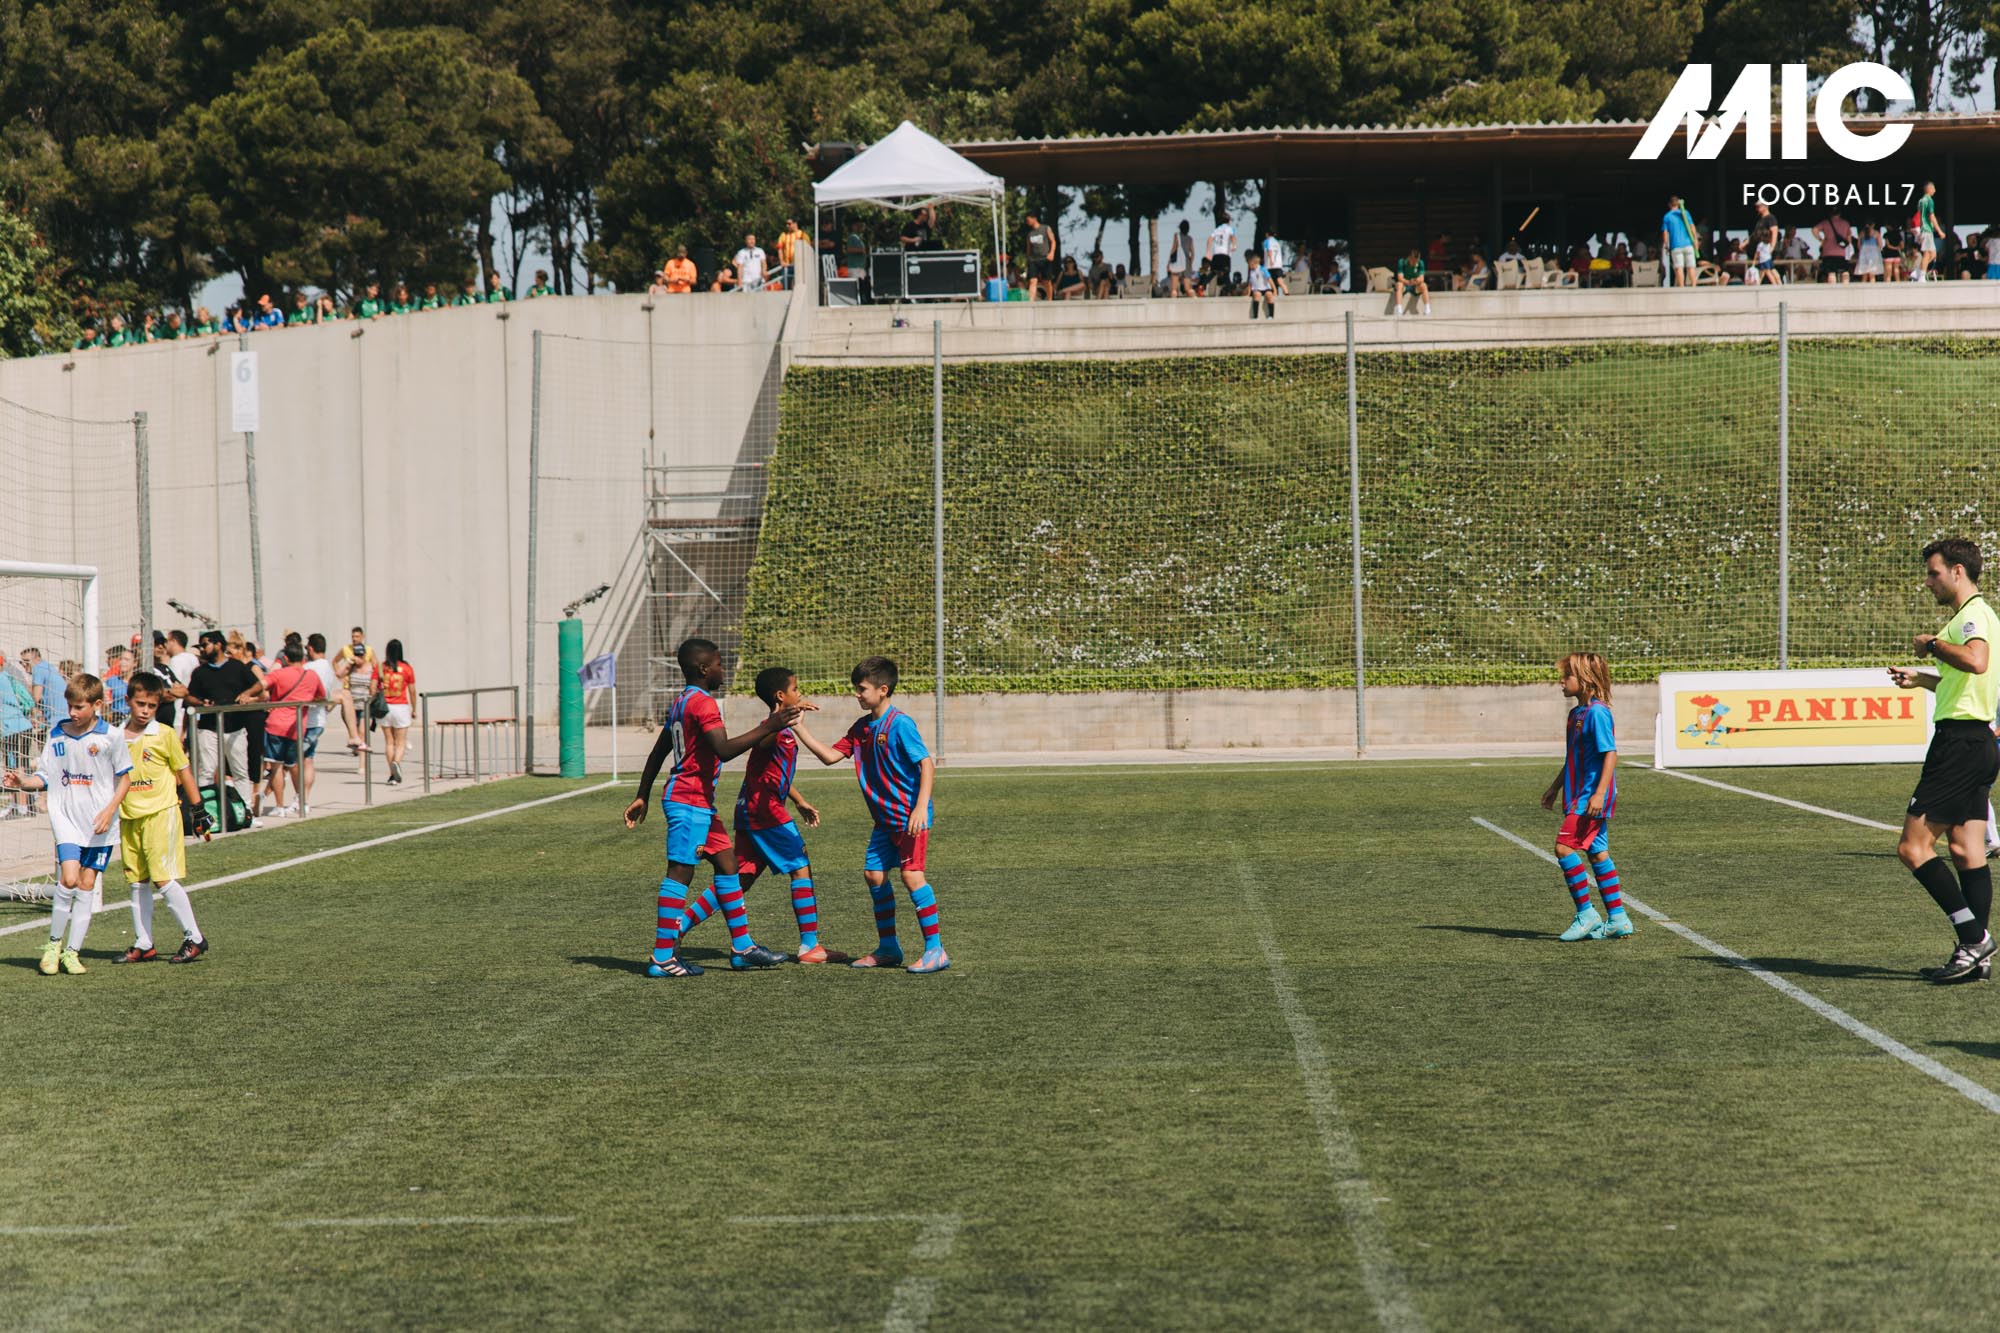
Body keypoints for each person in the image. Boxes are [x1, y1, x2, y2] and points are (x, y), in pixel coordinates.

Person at [621, 638, 800, 977]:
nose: (723, 669)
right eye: (718, 664)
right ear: (704, 669)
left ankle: (742, 948)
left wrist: (642, 794)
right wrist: (770, 725)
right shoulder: (702, 703)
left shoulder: (682, 701)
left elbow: (659, 751)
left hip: (699, 802)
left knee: (728, 863)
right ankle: (663, 957)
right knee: (680, 871)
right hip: (688, 801)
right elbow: (724, 750)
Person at [670, 666, 842, 963]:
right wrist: (779, 724)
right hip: (765, 812)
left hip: (750, 809)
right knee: (800, 867)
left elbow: (770, 774)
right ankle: (810, 946)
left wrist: (799, 800)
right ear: (781, 696)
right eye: (795, 689)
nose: (800, 693)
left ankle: (680, 927)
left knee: (741, 877)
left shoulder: (777, 728)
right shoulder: (770, 730)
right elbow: (764, 743)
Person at [1888, 538, 2000, 982]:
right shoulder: (1978, 615)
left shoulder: (1971, 616)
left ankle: (1974, 939)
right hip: (1977, 742)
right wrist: (1922, 679)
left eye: (1933, 572)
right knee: (1966, 849)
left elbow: (1976, 661)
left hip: (1958, 746)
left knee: (1912, 848)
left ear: (1957, 571)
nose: (1928, 581)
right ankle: (1977, 959)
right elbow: (1966, 681)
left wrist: (1932, 644)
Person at [792, 656, 948, 973]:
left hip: (909, 818)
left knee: (911, 876)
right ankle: (889, 947)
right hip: (884, 821)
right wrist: (798, 727)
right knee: (874, 875)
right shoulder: (862, 728)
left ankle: (936, 950)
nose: (857, 694)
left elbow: (926, 763)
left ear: (883, 689)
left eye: (862, 689)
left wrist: (920, 807)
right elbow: (829, 756)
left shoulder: (900, 724)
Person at [3, 674, 131, 975]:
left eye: (79, 707)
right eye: (70, 706)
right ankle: (52, 946)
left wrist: (109, 810)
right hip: (66, 818)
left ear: (96, 705)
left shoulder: (111, 736)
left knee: (86, 885)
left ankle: (71, 952)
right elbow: (44, 777)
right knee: (70, 879)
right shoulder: (57, 734)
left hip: (99, 821)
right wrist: (23, 781)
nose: (72, 712)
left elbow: (125, 779)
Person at [112, 671, 212, 965]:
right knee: (137, 880)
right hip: (129, 816)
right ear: (128, 701)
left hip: (161, 813)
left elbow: (184, 772)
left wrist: (198, 809)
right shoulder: (114, 737)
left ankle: (194, 936)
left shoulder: (164, 735)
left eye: (151, 706)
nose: (145, 711)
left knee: (162, 878)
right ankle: (144, 943)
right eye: (140, 704)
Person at [1539, 653, 1631, 941]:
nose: (1561, 681)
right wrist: (1555, 787)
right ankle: (1618, 919)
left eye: (1567, 676)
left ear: (1585, 679)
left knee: (1563, 849)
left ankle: (1587, 914)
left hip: (1590, 796)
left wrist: (1599, 794)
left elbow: (1610, 753)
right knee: (1597, 852)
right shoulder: (1576, 714)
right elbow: (1573, 757)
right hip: (1578, 794)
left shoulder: (1597, 713)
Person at [187, 629, 265, 814]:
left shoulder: (236, 667)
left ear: (218, 644)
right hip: (208, 727)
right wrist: (200, 703)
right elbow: (189, 696)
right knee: (206, 770)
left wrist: (246, 694)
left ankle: (245, 811)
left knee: (240, 770)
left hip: (234, 726)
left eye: (205, 645)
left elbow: (258, 685)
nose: (202, 649)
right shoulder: (200, 672)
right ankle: (206, 811)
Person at [259, 642, 325, 814]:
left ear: (286, 658)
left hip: (276, 724)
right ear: (303, 658)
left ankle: (280, 806)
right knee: (295, 764)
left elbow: (262, 684)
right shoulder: (311, 675)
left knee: (276, 767)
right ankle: (302, 801)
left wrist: (249, 695)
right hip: (297, 726)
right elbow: (321, 696)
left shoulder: (278, 673)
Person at [371, 639, 416, 785]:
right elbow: (412, 690)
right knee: (400, 742)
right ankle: (396, 762)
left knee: (389, 742)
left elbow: (372, 688)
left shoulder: (381, 667)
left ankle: (392, 775)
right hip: (401, 706)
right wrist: (414, 709)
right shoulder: (407, 668)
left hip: (385, 708)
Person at [0, 651, 34, 818]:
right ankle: (25, 805)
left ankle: (20, 807)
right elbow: (29, 701)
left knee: (12, 767)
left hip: (9, 728)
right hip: (23, 725)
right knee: (22, 765)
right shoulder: (10, 678)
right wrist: (20, 713)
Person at [333, 627, 376, 753]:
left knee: (362, 729)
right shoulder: (346, 650)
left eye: (357, 636)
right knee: (352, 724)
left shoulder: (369, 650)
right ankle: (356, 741)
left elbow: (375, 665)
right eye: (353, 636)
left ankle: (359, 745)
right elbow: (335, 662)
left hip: (364, 694)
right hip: (350, 690)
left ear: (362, 637)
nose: (354, 639)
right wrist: (344, 673)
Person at [23, 646, 65, 737]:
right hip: (65, 717)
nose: (24, 665)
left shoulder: (38, 668)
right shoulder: (48, 667)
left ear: (37, 659)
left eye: (27, 661)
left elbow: (36, 697)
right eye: (21, 662)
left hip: (55, 721)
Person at [1662, 194, 1698, 288]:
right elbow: (1692, 227)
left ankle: (1682, 287)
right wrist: (1695, 240)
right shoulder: (1685, 213)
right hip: (1688, 244)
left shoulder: (1667, 217)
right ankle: (1694, 286)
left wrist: (1666, 245)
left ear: (1669, 205)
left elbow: (1665, 233)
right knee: (1691, 266)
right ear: (1678, 204)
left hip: (1676, 246)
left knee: (1679, 267)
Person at [1913, 181, 1943, 281]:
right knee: (1927, 253)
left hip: (1924, 229)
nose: (1935, 190)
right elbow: (1931, 216)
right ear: (1929, 189)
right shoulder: (1929, 201)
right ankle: (1921, 276)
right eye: (1933, 188)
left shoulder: (1921, 201)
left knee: (1933, 254)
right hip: (1927, 229)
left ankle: (1918, 271)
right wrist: (1939, 231)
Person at [1024, 213, 1056, 301]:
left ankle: (1050, 299)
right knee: (1032, 281)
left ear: (1034, 218)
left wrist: (1051, 253)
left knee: (1047, 281)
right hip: (1033, 259)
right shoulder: (1030, 234)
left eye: (1028, 220)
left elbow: (1053, 241)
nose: (1027, 222)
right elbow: (1028, 248)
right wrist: (1027, 259)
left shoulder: (1045, 228)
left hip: (1045, 258)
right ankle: (1031, 301)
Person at [1814, 211, 1852, 283]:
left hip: (1828, 252)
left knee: (1831, 273)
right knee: (1845, 272)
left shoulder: (1825, 223)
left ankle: (1832, 288)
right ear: (1840, 213)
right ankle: (1846, 287)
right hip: (1842, 253)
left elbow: (1814, 229)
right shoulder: (1845, 223)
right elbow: (1849, 239)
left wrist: (1821, 240)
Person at [1205, 209, 1236, 296]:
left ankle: (1202, 285)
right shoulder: (1230, 229)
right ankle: (1229, 291)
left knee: (1213, 272)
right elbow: (1233, 237)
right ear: (1228, 221)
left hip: (1216, 254)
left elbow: (1209, 239)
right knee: (1226, 272)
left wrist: (1208, 251)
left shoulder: (1217, 229)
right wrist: (1234, 245)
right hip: (1225, 254)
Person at [1392, 248, 1430, 316]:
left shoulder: (1420, 263)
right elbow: (1400, 278)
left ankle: (1427, 308)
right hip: (1405, 285)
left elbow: (1422, 278)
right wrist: (1408, 282)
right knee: (1399, 284)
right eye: (1413, 261)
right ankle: (1399, 309)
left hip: (1415, 286)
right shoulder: (1402, 262)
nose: (1415, 263)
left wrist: (1417, 280)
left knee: (1424, 285)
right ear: (1409, 257)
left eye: (1416, 261)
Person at [1166, 219, 1195, 297]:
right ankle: (1195, 300)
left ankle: (1173, 304)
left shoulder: (1177, 236)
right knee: (1188, 289)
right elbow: (1192, 253)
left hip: (1177, 263)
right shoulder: (1190, 239)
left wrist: (1169, 263)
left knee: (1174, 289)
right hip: (1187, 263)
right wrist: (1190, 264)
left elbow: (1173, 249)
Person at [1246, 248, 1276, 319]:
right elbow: (1250, 284)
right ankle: (1255, 316)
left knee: (1269, 295)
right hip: (1257, 289)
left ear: (1254, 262)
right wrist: (1248, 293)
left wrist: (1274, 290)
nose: (1249, 265)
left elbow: (1270, 279)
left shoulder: (1263, 269)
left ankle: (1271, 315)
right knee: (1257, 295)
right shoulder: (1251, 272)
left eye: (1250, 263)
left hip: (1265, 288)